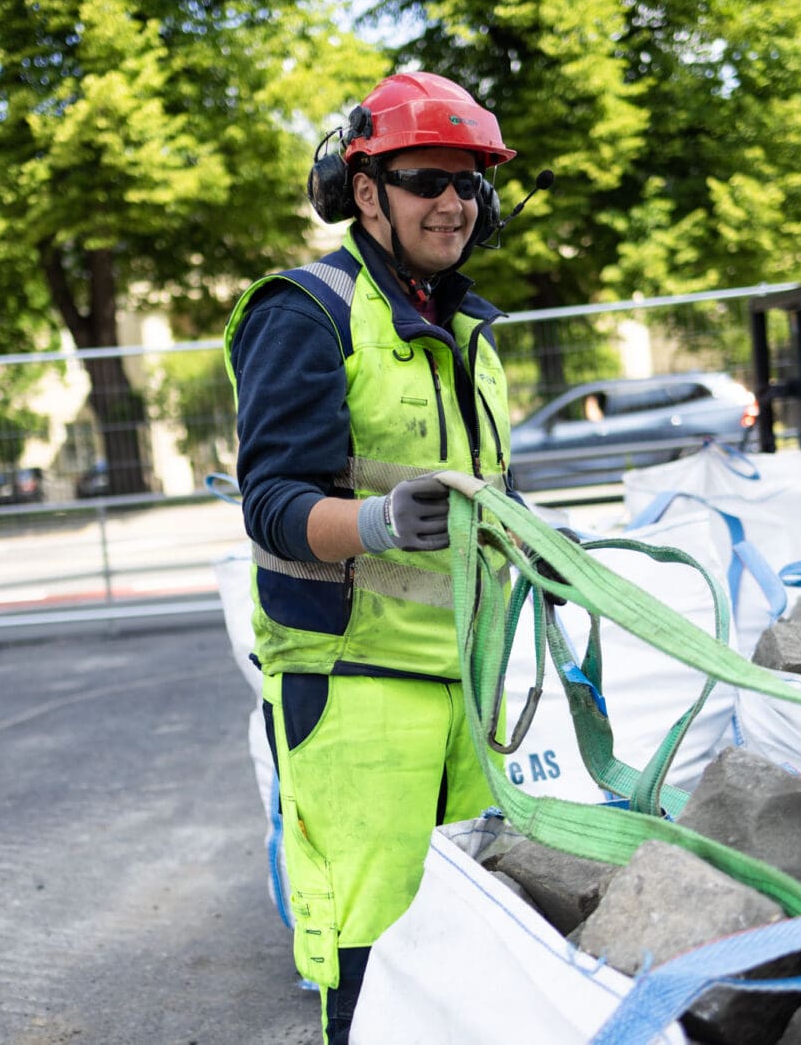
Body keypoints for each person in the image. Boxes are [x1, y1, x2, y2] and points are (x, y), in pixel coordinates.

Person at [222, 71, 521, 1043]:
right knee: (373, 955)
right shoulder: (304, 311)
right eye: (428, 178)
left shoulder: (467, 325)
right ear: (365, 192)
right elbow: (271, 505)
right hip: (354, 687)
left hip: (465, 682)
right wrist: (379, 523)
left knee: (475, 939)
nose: (453, 202)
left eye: (470, 183)